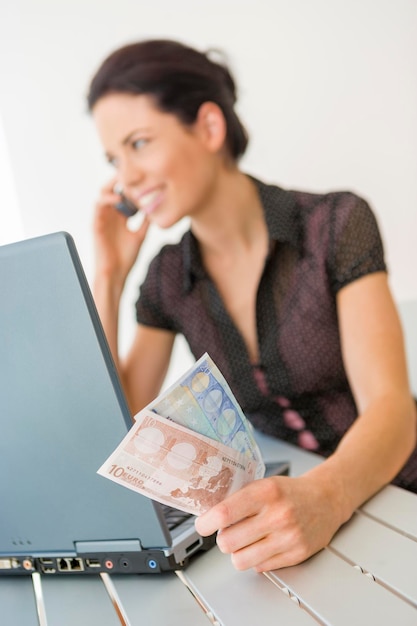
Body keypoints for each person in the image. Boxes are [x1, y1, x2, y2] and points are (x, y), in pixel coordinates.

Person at [87, 39, 417, 573]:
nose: (125, 178)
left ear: (210, 128)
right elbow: (115, 437)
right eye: (112, 158)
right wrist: (108, 275)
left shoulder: (334, 224)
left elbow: (393, 409)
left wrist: (325, 498)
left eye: (139, 143)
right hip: (282, 523)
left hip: (388, 490)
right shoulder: (168, 278)